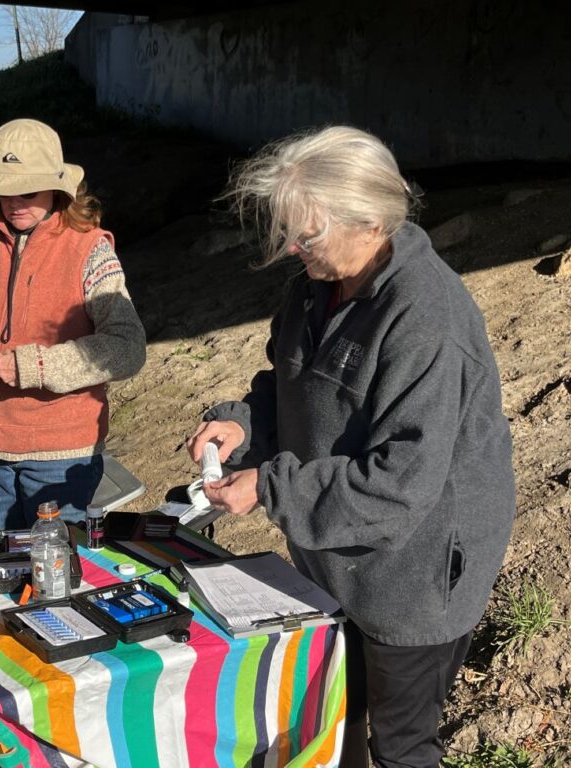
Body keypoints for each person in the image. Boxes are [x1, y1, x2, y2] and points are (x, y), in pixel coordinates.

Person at [186, 126, 515, 768]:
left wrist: (271, 486)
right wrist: (243, 426)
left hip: (414, 575)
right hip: (334, 556)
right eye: (288, 232)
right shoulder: (316, 283)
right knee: (336, 718)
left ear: (369, 221)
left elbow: (400, 484)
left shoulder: (427, 318)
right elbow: (287, 383)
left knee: (401, 746)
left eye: (305, 235)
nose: (290, 248)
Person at [0, 118, 146, 541]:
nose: (14, 203)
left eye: (28, 191)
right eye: (3, 192)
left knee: (57, 583)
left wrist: (37, 366)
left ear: (58, 189)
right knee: (0, 576)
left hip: (61, 457)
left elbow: (127, 348)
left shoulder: (91, 249)